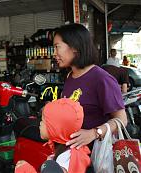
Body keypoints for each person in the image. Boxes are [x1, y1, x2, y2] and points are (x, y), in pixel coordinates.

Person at [52, 23, 127, 151]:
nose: (54, 53)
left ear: (75, 47)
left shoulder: (102, 79)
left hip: (96, 157)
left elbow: (122, 120)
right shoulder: (71, 76)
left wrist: (94, 133)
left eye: (57, 47)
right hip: (73, 155)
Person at [15, 98, 91, 173]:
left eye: (44, 121)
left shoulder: (65, 159)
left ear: (55, 129)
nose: (40, 123)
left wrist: (26, 170)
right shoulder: (73, 151)